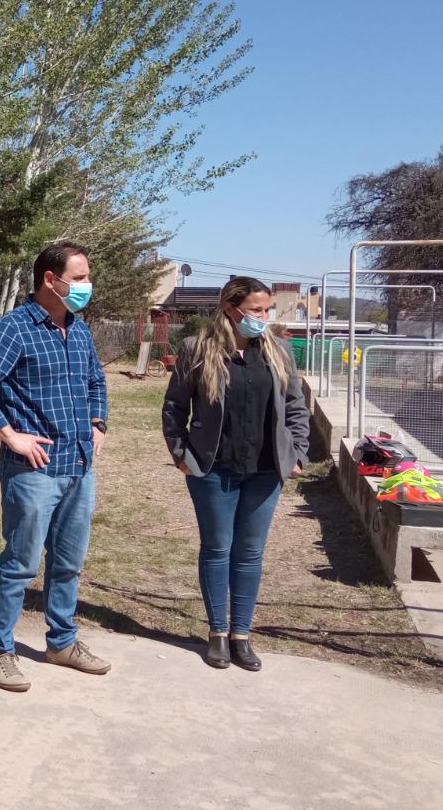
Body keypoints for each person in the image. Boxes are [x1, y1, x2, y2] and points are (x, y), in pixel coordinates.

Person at [0, 241, 109, 692]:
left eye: (85, 278)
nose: (86, 286)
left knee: (68, 563)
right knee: (20, 564)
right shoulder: (15, 329)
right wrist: (10, 434)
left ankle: (61, 642)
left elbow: (96, 378)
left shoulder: (78, 329)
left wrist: (98, 421)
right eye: (79, 278)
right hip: (34, 470)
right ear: (51, 279)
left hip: (78, 465)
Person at [161, 276, 310, 671]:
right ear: (231, 308)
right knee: (217, 549)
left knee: (249, 553)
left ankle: (241, 635)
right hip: (213, 471)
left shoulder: (278, 351)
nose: (263, 317)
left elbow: (296, 406)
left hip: (265, 471)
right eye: (256, 310)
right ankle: (217, 634)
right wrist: (181, 454)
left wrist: (297, 454)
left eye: (267, 310)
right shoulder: (198, 350)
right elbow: (174, 408)